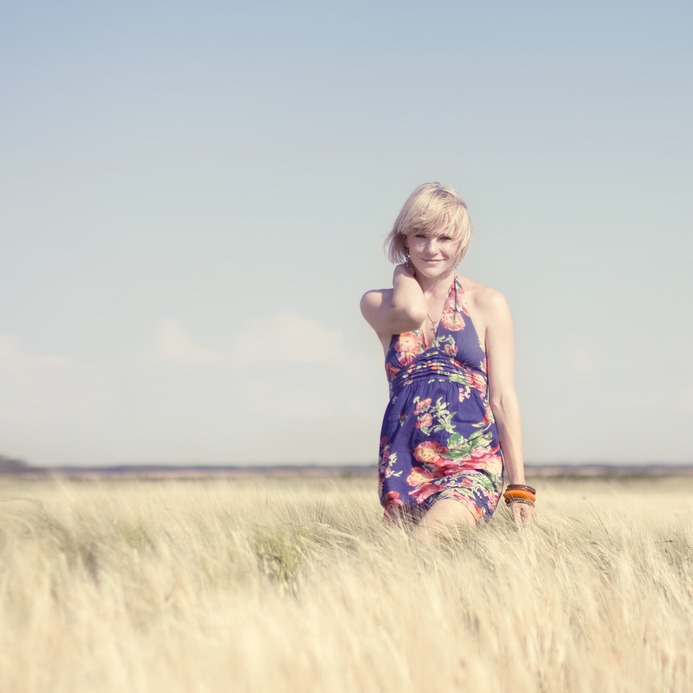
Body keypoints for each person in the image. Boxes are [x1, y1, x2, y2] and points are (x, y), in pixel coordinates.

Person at [360, 183, 535, 538]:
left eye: (445, 238)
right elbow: (410, 312)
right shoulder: (378, 304)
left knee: (427, 542)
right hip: (405, 464)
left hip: (471, 462)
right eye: (420, 235)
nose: (432, 249)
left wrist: (519, 487)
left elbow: (502, 397)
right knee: (405, 571)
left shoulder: (488, 303)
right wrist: (403, 274)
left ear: (462, 243)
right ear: (403, 239)